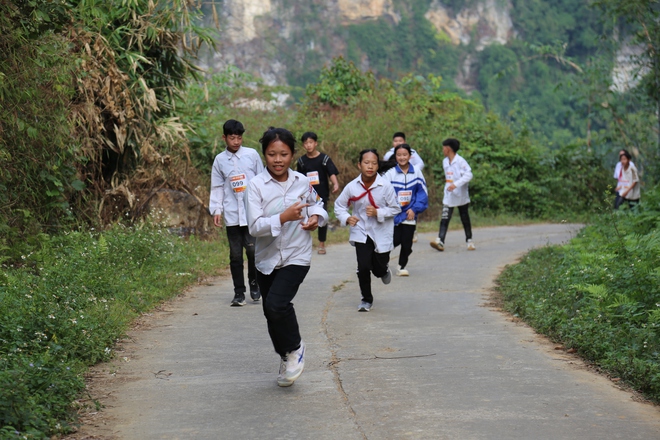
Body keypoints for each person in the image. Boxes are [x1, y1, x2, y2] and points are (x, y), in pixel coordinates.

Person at [245, 127, 328, 387]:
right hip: (267, 258)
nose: (278, 160)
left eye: (284, 154)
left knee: (277, 305)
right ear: (264, 155)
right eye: (272, 154)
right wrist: (282, 217)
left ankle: (295, 348)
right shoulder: (256, 186)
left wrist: (315, 217)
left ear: (293, 155)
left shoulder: (302, 182)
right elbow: (254, 226)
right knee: (271, 313)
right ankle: (285, 356)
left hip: (296, 254)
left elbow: (317, 203)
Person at [334, 149, 401, 312]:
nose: (370, 166)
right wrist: (347, 218)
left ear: (378, 166)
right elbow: (339, 206)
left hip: (381, 231)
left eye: (374, 163)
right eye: (366, 163)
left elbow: (395, 208)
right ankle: (366, 299)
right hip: (361, 231)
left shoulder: (385, 186)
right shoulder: (352, 187)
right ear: (359, 165)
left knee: (378, 268)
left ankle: (383, 270)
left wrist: (378, 212)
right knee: (363, 266)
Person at [210, 119, 264, 306]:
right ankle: (239, 293)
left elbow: (262, 180)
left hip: (251, 212)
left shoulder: (252, 155)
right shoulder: (220, 160)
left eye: (239, 138)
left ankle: (255, 284)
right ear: (224, 137)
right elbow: (217, 186)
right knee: (235, 255)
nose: (236, 142)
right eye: (232, 138)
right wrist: (217, 209)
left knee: (252, 251)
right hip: (232, 213)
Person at [384, 144, 428, 276]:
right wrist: (391, 209)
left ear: (410, 156)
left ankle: (401, 266)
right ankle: (382, 261)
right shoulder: (390, 174)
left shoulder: (417, 173)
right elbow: (383, 194)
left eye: (405, 155)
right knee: (394, 240)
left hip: (410, 214)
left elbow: (422, 193)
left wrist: (415, 209)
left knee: (407, 243)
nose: (402, 157)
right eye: (399, 155)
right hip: (393, 215)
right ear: (395, 157)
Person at [296, 132, 340, 255]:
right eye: (306, 143)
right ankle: (303, 244)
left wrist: (335, 184)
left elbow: (331, 172)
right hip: (305, 195)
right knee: (303, 218)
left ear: (316, 143)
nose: (308, 145)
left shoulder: (324, 159)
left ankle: (321, 243)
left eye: (311, 142)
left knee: (321, 217)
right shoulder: (301, 161)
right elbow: (298, 177)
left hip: (321, 195)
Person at [430, 138, 475, 252]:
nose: (442, 150)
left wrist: (456, 184)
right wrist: (449, 187)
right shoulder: (445, 161)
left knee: (464, 218)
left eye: (443, 148)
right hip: (449, 195)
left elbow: (468, 175)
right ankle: (440, 240)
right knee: (445, 218)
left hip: (460, 195)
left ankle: (469, 240)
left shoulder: (460, 161)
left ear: (448, 148)